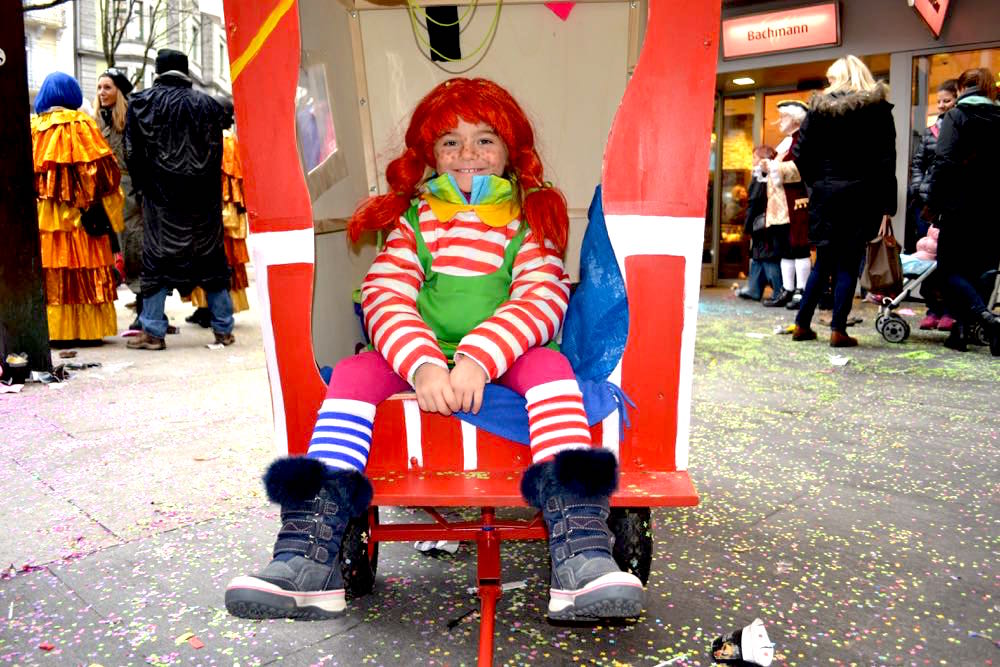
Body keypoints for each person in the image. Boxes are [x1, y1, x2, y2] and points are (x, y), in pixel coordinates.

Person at [224, 77, 644, 622]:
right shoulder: (415, 219)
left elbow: (541, 296)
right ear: (430, 154)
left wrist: (477, 356)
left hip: (508, 350)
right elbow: (384, 293)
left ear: (511, 150)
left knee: (551, 367)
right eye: (451, 141)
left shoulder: (528, 216)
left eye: (485, 139)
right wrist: (422, 361)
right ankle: (307, 559)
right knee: (353, 372)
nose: (468, 153)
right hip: (421, 354)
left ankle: (582, 554)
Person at [124, 49, 235, 350]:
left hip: (162, 199)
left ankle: (154, 332)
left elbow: (132, 152)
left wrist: (142, 186)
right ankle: (223, 329)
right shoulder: (209, 105)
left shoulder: (142, 102)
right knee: (212, 264)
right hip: (203, 201)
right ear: (186, 72)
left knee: (157, 264)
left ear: (158, 71)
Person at [790, 55, 897, 347]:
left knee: (823, 262)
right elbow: (887, 161)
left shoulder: (818, 110)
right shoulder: (877, 110)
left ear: (836, 79)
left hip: (825, 196)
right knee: (849, 263)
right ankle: (838, 329)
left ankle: (801, 324)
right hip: (862, 196)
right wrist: (888, 205)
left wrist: (818, 183)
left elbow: (801, 154)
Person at [32, 72, 124, 343]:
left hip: (46, 217)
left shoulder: (35, 129)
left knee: (54, 267)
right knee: (84, 266)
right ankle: (88, 330)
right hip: (82, 214)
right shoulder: (84, 125)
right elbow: (105, 174)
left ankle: (54, 330)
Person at [924, 68, 1000, 355]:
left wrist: (933, 201)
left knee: (949, 269)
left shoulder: (956, 117)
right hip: (993, 207)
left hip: (959, 205)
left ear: (962, 88)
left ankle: (986, 320)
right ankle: (962, 330)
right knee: (982, 270)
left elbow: (943, 161)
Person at [186, 98, 252, 328]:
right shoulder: (228, 139)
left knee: (214, 257)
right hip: (226, 208)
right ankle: (209, 306)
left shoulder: (221, 139)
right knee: (223, 258)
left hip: (221, 209)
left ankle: (211, 308)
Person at [94, 67, 144, 330]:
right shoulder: (96, 121)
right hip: (106, 193)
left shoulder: (131, 120)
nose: (102, 93)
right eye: (99, 87)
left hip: (129, 192)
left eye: (108, 87)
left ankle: (144, 307)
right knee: (113, 251)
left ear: (120, 92)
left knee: (134, 248)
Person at [760, 100, 811, 310]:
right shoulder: (785, 142)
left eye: (784, 117)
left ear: (796, 118)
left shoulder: (803, 140)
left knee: (799, 248)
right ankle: (787, 289)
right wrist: (767, 167)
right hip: (780, 207)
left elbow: (800, 169)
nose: (779, 121)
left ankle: (802, 290)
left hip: (795, 205)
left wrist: (772, 166)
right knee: (784, 250)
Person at [908, 79, 958, 253]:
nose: (941, 106)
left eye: (947, 100)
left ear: (957, 100)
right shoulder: (930, 132)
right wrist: (918, 188)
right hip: (926, 204)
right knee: (924, 252)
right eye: (938, 101)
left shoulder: (960, 129)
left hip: (951, 204)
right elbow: (917, 164)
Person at [738, 145, 782, 301]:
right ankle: (755, 288)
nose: (753, 161)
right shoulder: (769, 175)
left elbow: (754, 202)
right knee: (759, 256)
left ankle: (778, 291)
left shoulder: (760, 176)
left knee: (767, 257)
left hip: (762, 223)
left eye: (755, 158)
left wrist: (747, 226)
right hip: (768, 221)